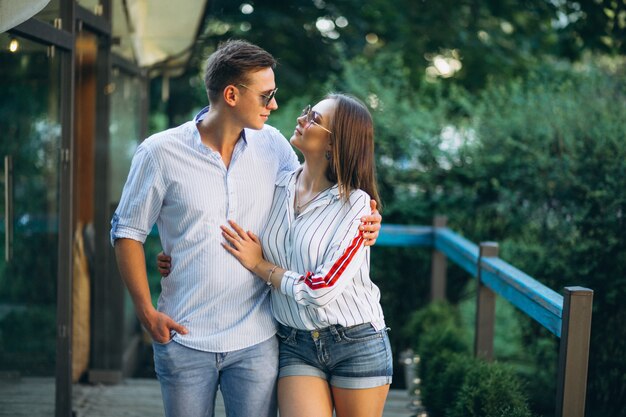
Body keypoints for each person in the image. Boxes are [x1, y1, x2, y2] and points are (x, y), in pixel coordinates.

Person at [111, 39, 381, 417]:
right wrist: (145, 310)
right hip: (184, 335)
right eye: (266, 95)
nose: (274, 105)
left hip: (258, 339)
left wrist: (368, 219)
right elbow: (127, 232)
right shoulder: (159, 152)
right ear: (232, 94)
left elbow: (318, 193)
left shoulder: (274, 147)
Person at [221, 93, 392, 417]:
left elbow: (321, 288)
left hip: (354, 341)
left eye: (315, 119)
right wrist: (174, 256)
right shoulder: (276, 186)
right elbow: (229, 220)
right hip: (295, 342)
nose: (302, 119)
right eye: (307, 113)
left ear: (334, 145)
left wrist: (260, 265)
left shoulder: (356, 205)